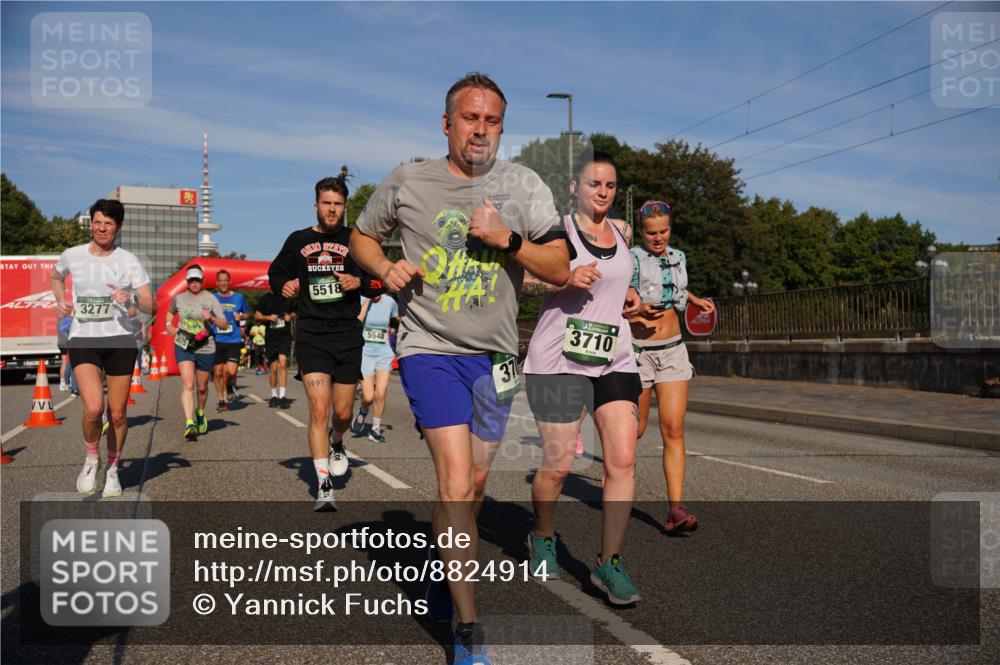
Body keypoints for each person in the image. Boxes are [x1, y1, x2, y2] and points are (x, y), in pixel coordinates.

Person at [351, 72, 570, 665]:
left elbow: (558, 267)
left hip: (495, 357)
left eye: (491, 120)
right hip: (430, 348)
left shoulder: (523, 185)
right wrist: (385, 270)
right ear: (446, 123)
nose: (481, 129)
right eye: (469, 118)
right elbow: (362, 238)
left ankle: (443, 572)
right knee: (453, 481)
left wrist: (508, 241)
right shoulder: (408, 180)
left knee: (473, 486)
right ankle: (469, 633)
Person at [520, 151, 644, 604]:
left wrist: (629, 294)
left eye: (610, 186)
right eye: (594, 184)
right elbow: (523, 283)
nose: (603, 193)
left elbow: (620, 277)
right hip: (558, 360)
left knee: (622, 462)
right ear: (574, 187)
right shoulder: (557, 233)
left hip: (613, 356)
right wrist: (563, 280)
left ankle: (608, 562)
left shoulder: (623, 233)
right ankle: (542, 535)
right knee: (558, 466)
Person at [268, 175, 379, 512]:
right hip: (312, 335)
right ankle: (324, 486)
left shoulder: (357, 241)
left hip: (346, 335)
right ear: (316, 205)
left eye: (338, 204)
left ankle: (337, 440)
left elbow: (379, 282)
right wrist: (283, 287)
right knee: (318, 408)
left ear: (345, 208)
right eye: (326, 203)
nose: (332, 210)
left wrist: (358, 281)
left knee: (342, 412)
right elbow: (276, 274)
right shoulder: (298, 240)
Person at [50, 199, 154, 497]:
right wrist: (60, 299)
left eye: (108, 223)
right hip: (84, 339)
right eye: (98, 221)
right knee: (94, 408)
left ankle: (112, 469)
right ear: (91, 224)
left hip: (120, 340)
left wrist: (130, 298)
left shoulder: (129, 261)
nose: (102, 227)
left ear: (118, 227)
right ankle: (91, 458)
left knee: (118, 414)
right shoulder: (72, 255)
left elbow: (151, 303)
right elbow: (56, 276)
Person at [628, 200, 716, 534]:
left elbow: (675, 288)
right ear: (641, 232)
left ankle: (675, 509)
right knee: (634, 431)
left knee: (674, 429)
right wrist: (638, 310)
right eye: (651, 232)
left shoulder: (679, 257)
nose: (658, 237)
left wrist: (693, 300)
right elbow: (624, 293)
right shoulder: (633, 258)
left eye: (663, 231)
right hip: (639, 352)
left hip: (673, 350)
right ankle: (617, 475)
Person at [165, 265, 228, 441]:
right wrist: (169, 326)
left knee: (201, 387)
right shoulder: (179, 298)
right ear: (187, 281)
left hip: (206, 347)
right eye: (191, 280)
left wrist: (212, 318)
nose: (194, 283)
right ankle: (189, 421)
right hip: (184, 345)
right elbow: (170, 314)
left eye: (197, 280)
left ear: (202, 281)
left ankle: (200, 412)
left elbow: (224, 324)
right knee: (187, 385)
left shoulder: (211, 299)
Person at [351, 294, 399, 442]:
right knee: (368, 396)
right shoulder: (360, 299)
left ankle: (375, 429)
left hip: (384, 352)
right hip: (365, 352)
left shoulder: (390, 301)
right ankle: (363, 410)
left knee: (381, 392)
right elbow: (358, 319)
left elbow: (399, 318)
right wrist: (366, 301)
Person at [211, 269, 250, 412]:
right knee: (217, 372)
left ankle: (228, 386)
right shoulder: (212, 298)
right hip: (217, 338)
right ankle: (221, 401)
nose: (223, 283)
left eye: (225, 280)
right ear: (217, 283)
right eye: (220, 280)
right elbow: (206, 315)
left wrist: (241, 316)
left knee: (231, 372)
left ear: (229, 281)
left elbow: (247, 313)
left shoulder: (239, 298)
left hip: (233, 339)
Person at [255, 290, 294, 408]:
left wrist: (290, 316)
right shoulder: (266, 298)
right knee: (273, 367)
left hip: (284, 337)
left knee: (282, 363)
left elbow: (296, 311)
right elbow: (257, 316)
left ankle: (282, 396)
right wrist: (268, 317)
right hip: (271, 338)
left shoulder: (288, 296)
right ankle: (273, 396)